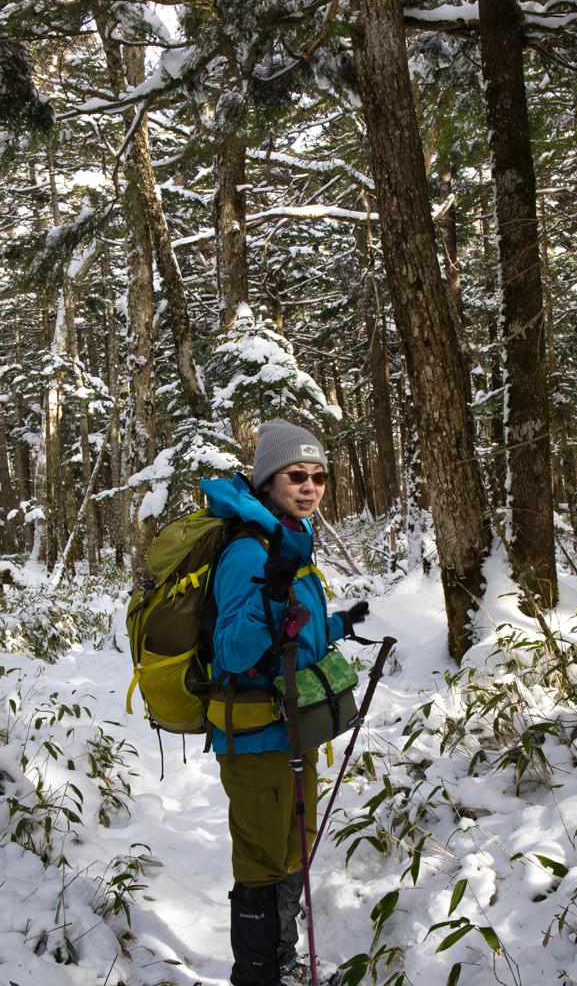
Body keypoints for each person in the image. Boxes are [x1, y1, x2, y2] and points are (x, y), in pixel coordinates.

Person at [200, 419, 369, 986]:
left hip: (291, 729)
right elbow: (231, 650)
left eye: (319, 476)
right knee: (262, 863)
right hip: (256, 737)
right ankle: (258, 976)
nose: (310, 486)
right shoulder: (249, 551)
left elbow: (293, 634)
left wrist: (338, 624)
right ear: (267, 481)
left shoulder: (288, 539)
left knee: (293, 849)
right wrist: (272, 594)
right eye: (296, 475)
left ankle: (284, 961)